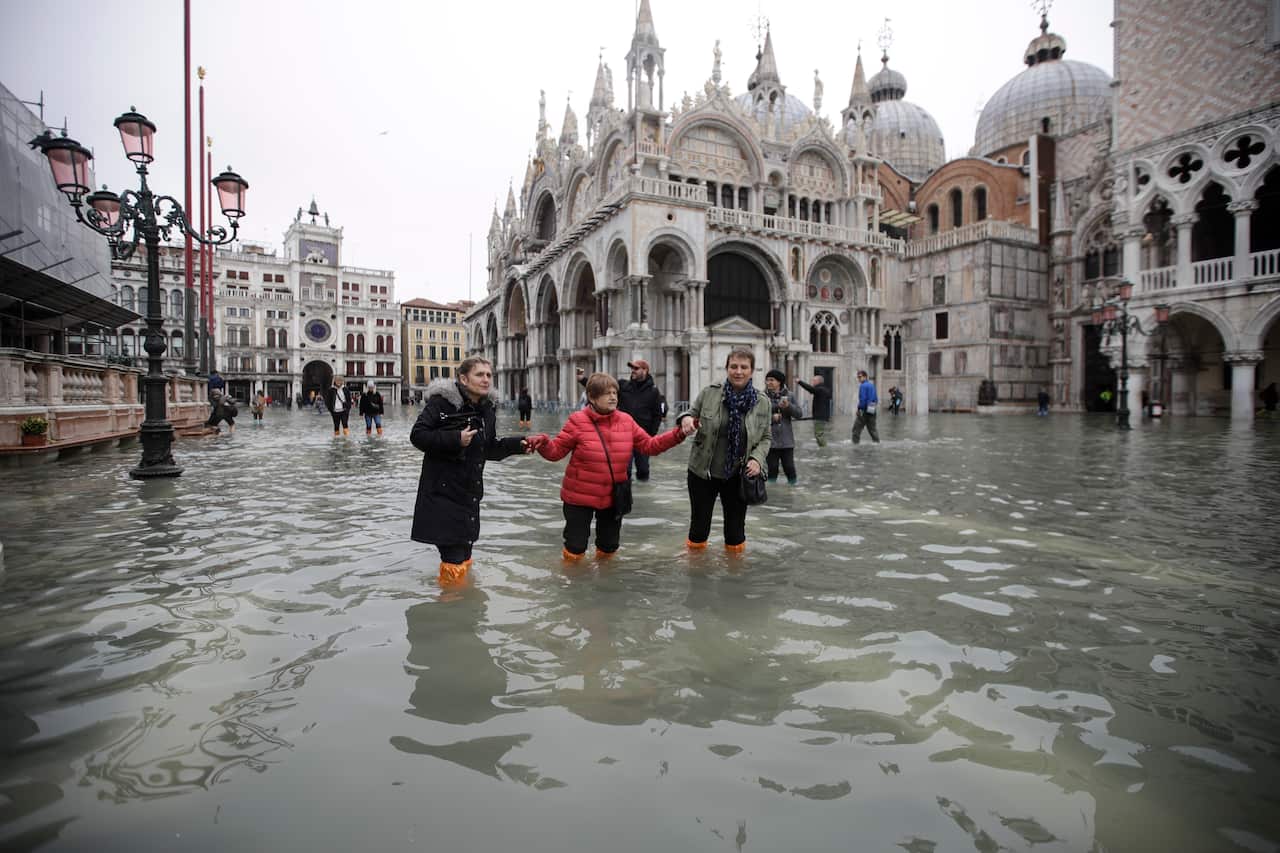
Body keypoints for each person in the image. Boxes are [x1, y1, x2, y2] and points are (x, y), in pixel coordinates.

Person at [410, 357, 539, 586]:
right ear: (463, 378)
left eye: (489, 375)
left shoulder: (486, 409)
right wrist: (455, 439)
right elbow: (418, 435)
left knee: (465, 557)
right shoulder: (441, 404)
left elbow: (487, 448)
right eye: (480, 374)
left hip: (469, 495)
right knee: (454, 560)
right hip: (442, 495)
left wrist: (517, 445)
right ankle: (452, 612)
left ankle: (464, 612)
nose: (486, 379)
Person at [529, 372, 686, 560]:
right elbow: (555, 453)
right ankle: (574, 583)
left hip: (613, 496)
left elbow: (650, 446)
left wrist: (679, 433)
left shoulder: (626, 421)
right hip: (579, 497)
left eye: (615, 392)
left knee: (609, 548)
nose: (613, 397)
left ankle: (604, 583)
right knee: (575, 548)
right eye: (606, 393)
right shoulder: (577, 421)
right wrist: (544, 443)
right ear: (593, 398)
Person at [677, 348, 772, 553]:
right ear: (727, 368)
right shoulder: (709, 393)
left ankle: (735, 577)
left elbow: (765, 437)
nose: (738, 371)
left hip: (738, 475)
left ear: (752, 370)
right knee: (699, 528)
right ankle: (696, 573)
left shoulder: (762, 402)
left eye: (744, 367)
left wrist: (756, 459)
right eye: (734, 366)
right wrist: (685, 419)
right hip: (702, 472)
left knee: (735, 532)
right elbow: (690, 413)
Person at [618, 359, 666, 482]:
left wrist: (651, 435)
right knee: (624, 471)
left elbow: (657, 415)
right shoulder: (623, 386)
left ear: (645, 371)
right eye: (632, 368)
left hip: (643, 438)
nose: (633, 371)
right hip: (623, 436)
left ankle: (644, 494)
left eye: (636, 368)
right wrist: (583, 380)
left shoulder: (653, 391)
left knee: (643, 470)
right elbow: (603, 387)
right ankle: (625, 497)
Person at [764, 369, 802, 485]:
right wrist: (772, 418)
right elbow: (757, 417)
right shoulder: (762, 396)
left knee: (790, 469)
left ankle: (792, 494)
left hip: (787, 441)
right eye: (767, 380)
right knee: (772, 470)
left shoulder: (789, 395)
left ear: (779, 382)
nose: (768, 382)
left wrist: (788, 406)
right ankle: (772, 497)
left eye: (772, 380)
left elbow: (799, 414)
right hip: (770, 440)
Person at [796, 374, 832, 447]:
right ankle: (823, 447)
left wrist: (800, 382)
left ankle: (824, 449)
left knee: (819, 434)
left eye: (814, 380)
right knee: (819, 434)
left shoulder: (820, 389)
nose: (812, 382)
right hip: (822, 416)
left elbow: (811, 389)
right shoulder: (823, 389)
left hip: (820, 417)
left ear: (818, 381)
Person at [852, 369, 880, 444]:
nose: (859, 379)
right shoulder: (871, 385)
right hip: (872, 408)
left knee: (856, 429)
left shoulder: (863, 386)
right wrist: (872, 407)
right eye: (858, 377)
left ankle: (855, 444)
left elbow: (863, 399)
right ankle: (877, 443)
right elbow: (876, 399)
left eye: (860, 377)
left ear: (865, 377)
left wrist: (859, 409)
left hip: (864, 409)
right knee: (872, 429)